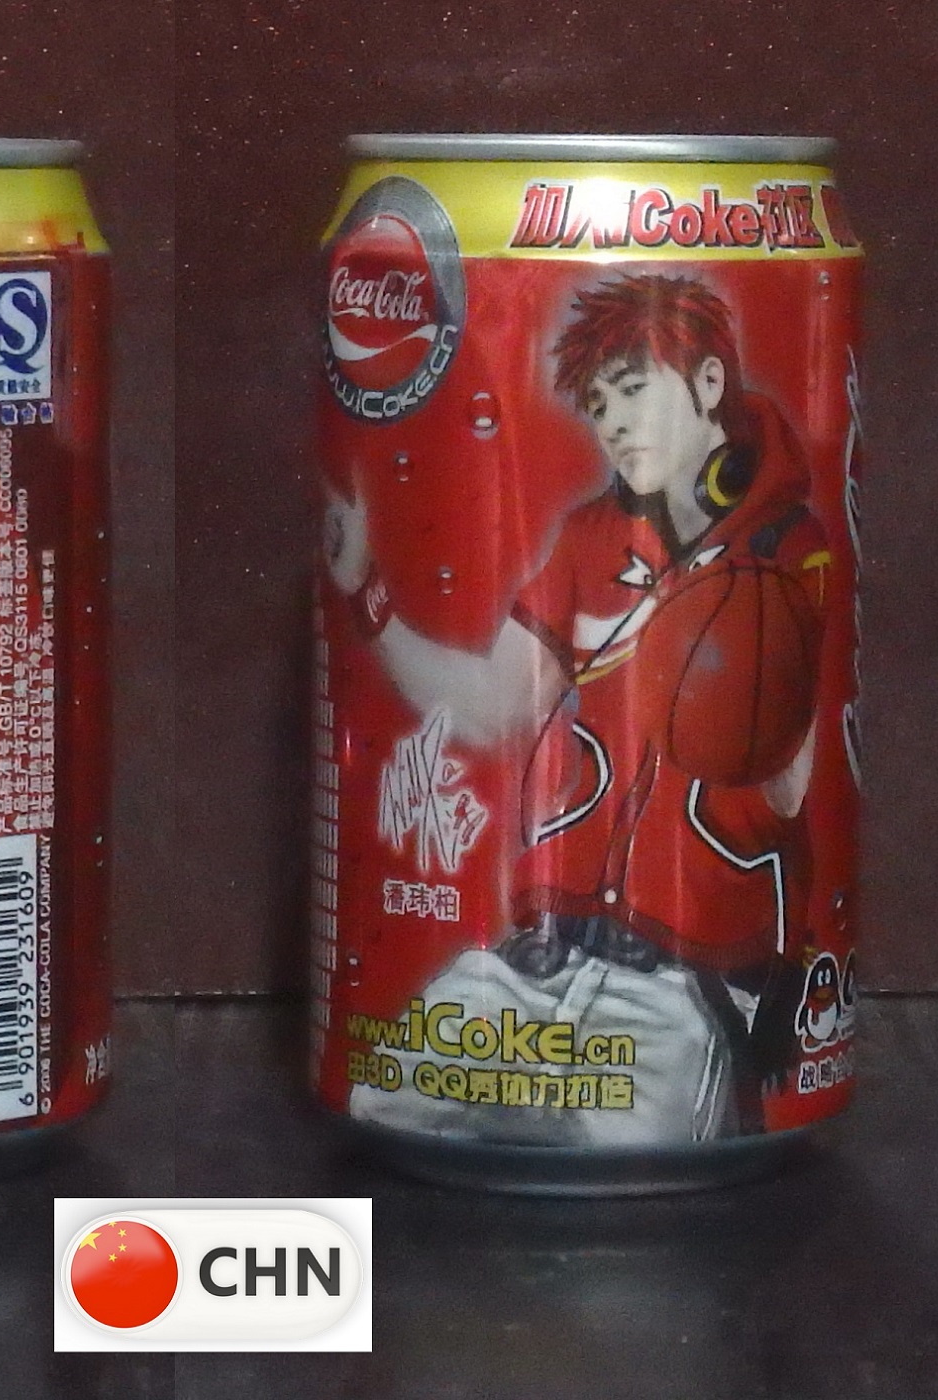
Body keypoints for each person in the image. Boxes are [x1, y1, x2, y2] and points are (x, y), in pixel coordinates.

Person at [325, 273, 831, 1146]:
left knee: (630, 1150)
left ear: (708, 383)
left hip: (682, 988)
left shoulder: (791, 553)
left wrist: (728, 680)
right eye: (598, 405)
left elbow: (790, 791)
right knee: (382, 1102)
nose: (614, 424)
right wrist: (364, 591)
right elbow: (490, 708)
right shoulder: (589, 540)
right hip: (533, 961)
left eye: (632, 390)